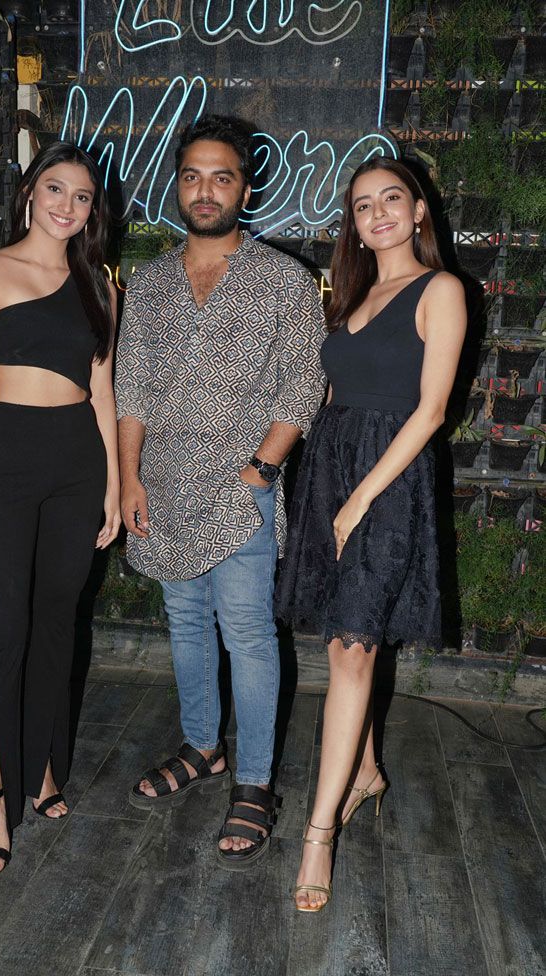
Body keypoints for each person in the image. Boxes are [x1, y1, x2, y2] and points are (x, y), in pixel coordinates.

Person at [115, 114, 326, 869]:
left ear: (244, 188)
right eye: (193, 176)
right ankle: (203, 746)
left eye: (222, 177)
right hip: (163, 487)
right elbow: (131, 390)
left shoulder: (284, 280)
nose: (205, 191)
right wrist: (128, 476)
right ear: (178, 186)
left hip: (241, 491)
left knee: (247, 633)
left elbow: (304, 384)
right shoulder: (149, 283)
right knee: (185, 624)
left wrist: (261, 471)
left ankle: (256, 782)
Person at [275, 156, 467, 910]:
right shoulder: (353, 293)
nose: (378, 212)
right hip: (332, 469)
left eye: (392, 198)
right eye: (363, 204)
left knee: (351, 650)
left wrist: (359, 499)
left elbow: (431, 411)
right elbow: (332, 395)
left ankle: (318, 834)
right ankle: (364, 771)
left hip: (387, 481)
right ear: (352, 223)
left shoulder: (440, 290)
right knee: (343, 638)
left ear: (419, 211)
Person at [0, 141, 120, 875]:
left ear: (92, 211)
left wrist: (113, 487)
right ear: (28, 193)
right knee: (4, 631)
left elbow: (103, 391)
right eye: (55, 189)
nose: (66, 206)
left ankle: (43, 765)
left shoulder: (99, 286)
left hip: (79, 462)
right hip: (7, 461)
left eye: (81, 197)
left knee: (55, 623)